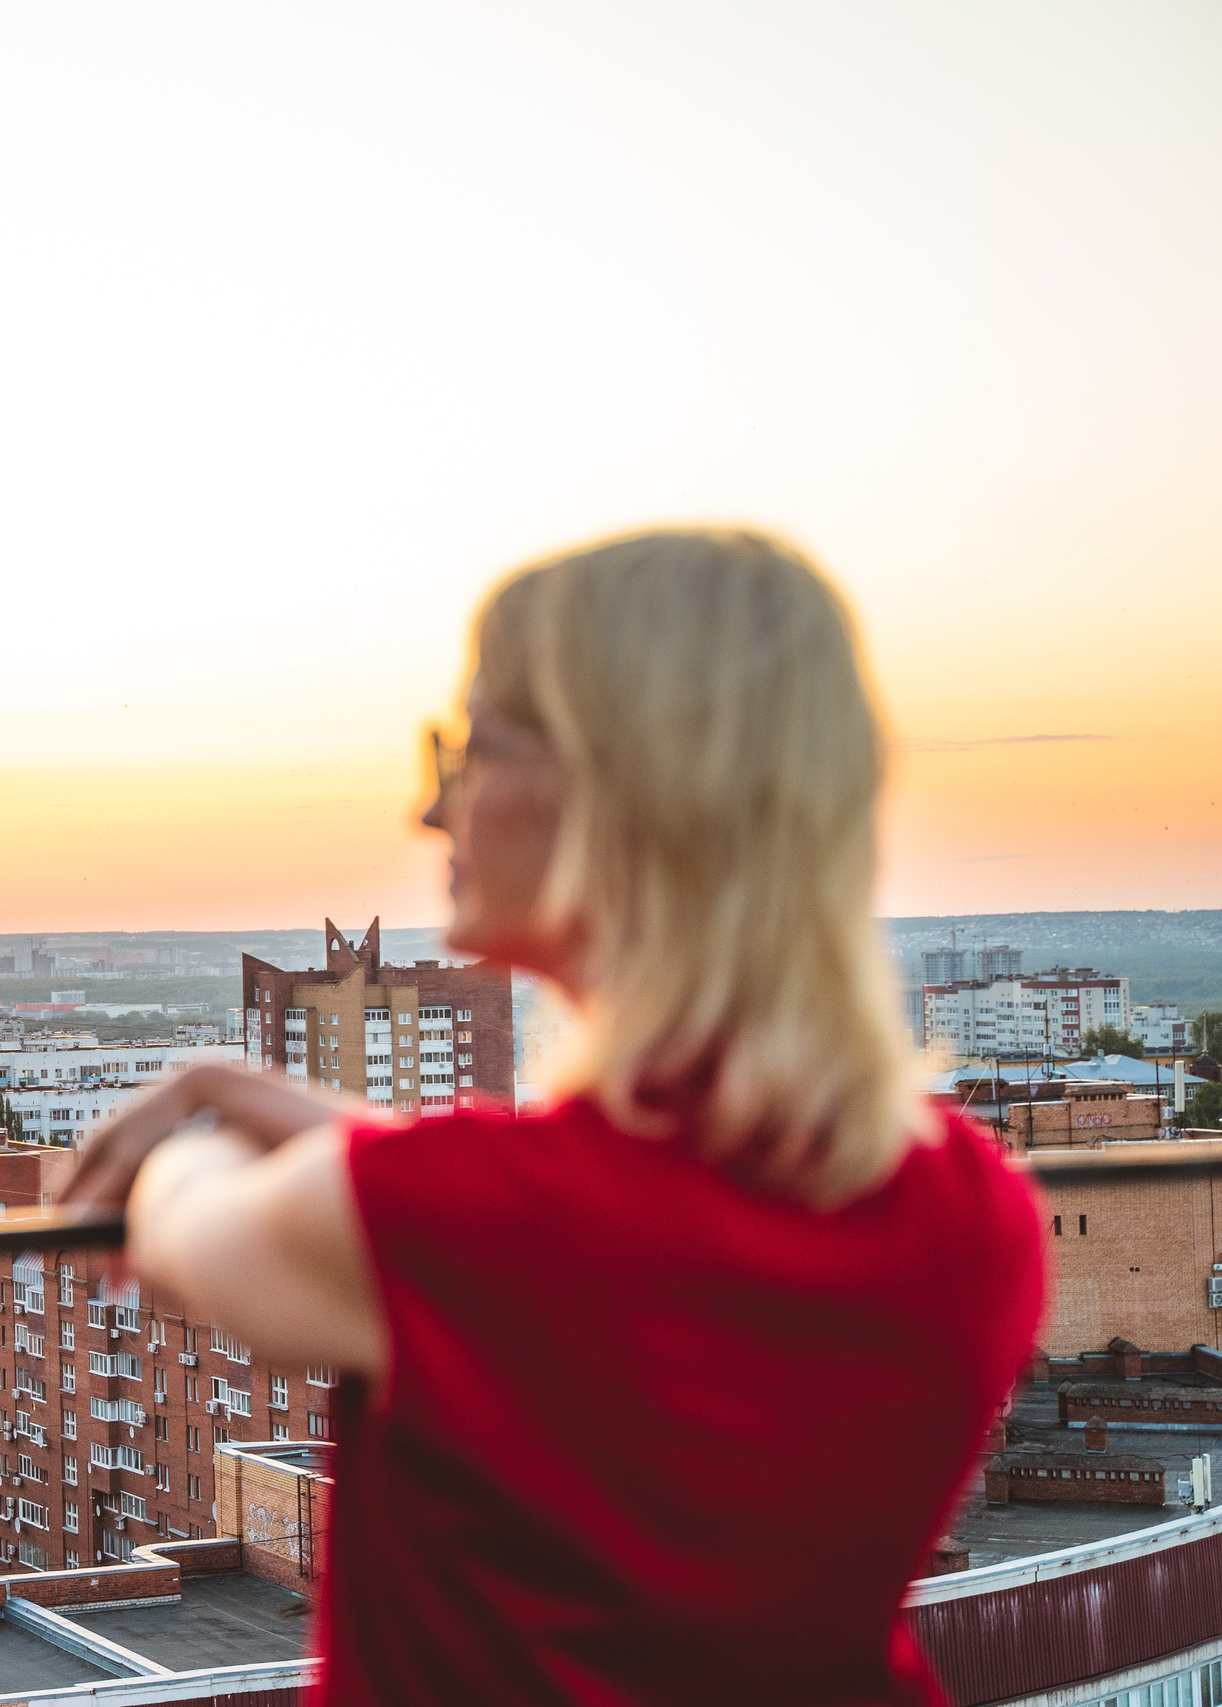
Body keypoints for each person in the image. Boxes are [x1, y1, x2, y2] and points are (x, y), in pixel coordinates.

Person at [65, 529, 1044, 1706]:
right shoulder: (970, 1203)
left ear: (621, 787)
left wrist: (188, 1131)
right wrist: (234, 1081)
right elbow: (551, 1219)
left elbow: (190, 1232)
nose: (432, 806)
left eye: (473, 748)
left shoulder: (470, 1221)